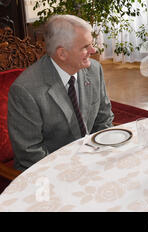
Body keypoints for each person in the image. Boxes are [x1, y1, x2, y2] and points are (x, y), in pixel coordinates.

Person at [8, 14, 113, 171]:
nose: (93, 50)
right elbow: (30, 152)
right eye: (85, 47)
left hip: (91, 161)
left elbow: (103, 119)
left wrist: (102, 156)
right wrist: (72, 170)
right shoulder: (25, 90)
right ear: (62, 53)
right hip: (48, 172)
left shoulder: (94, 70)